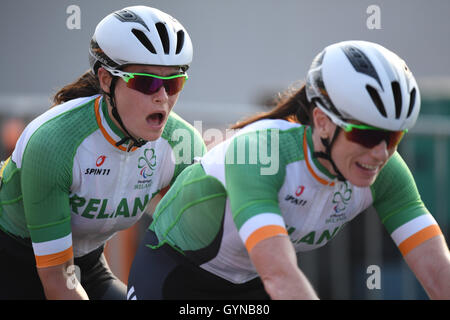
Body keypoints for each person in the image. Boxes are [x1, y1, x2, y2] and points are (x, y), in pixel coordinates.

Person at [127, 40, 450, 300]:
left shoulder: (386, 170)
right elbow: (280, 276)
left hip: (248, 282)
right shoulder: (261, 152)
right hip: (176, 274)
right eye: (365, 134)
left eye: (392, 136)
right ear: (322, 122)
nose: (380, 152)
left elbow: (438, 273)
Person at [0, 5, 206, 300]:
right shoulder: (54, 142)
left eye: (173, 82)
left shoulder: (181, 145)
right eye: (146, 81)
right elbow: (58, 283)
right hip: (12, 260)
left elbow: (196, 256)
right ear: (107, 80)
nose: (162, 97)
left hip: (86, 265)